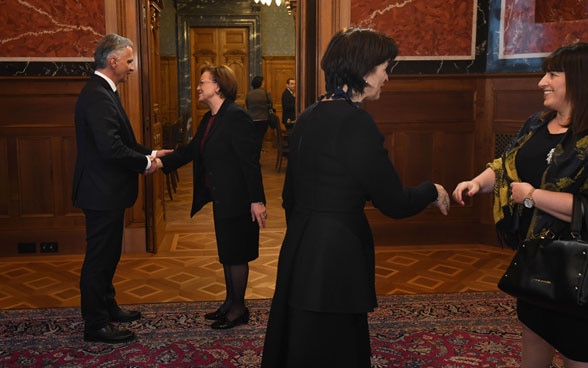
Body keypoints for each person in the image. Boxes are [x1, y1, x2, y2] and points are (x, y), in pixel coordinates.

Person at [261, 28, 450, 368]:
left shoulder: (308, 116)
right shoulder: (356, 123)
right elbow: (393, 202)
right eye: (384, 67)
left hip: (300, 247)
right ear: (363, 70)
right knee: (337, 350)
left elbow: (289, 196)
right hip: (337, 255)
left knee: (302, 345)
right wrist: (431, 191)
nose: (386, 76)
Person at [453, 43, 588, 367]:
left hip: (580, 272)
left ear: (581, 80)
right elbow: (505, 166)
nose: (542, 82)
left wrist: (532, 196)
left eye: (553, 74)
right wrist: (477, 183)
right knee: (534, 339)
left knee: (577, 353)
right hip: (536, 261)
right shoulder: (536, 124)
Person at [72, 33, 172, 344]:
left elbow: (123, 141)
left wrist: (151, 153)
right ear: (113, 61)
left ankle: (107, 305)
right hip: (101, 192)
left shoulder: (105, 91)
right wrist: (145, 164)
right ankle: (96, 323)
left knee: (109, 254)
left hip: (106, 191)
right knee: (100, 258)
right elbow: (111, 149)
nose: (132, 67)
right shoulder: (98, 95)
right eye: (129, 61)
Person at [152, 64, 267, 330]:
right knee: (227, 252)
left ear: (217, 86)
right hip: (222, 196)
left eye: (202, 82)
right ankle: (230, 302)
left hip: (239, 198)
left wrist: (257, 201)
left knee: (237, 254)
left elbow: (250, 162)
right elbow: (192, 150)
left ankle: (239, 309)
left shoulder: (236, 116)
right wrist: (160, 162)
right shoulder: (211, 117)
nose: (198, 87)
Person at [245, 76, 272, 152]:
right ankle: (257, 155)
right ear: (261, 83)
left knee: (253, 139)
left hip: (251, 119)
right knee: (260, 139)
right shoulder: (265, 93)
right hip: (263, 119)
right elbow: (270, 105)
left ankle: (253, 157)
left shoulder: (249, 94)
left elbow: (247, 105)